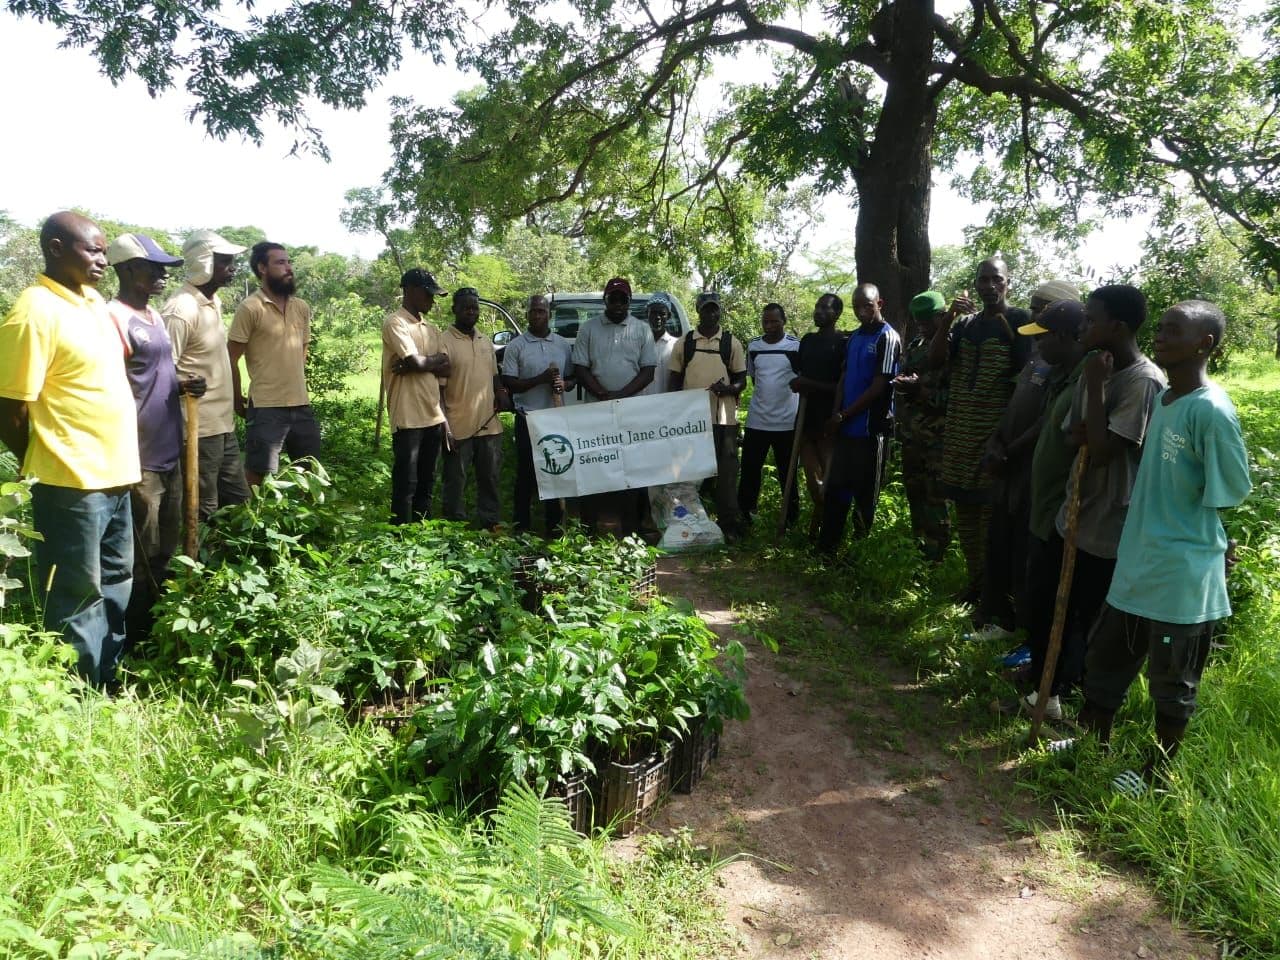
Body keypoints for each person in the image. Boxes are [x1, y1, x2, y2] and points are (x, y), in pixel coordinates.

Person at [1057, 301, 1250, 796]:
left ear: (1205, 343)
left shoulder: (1211, 411)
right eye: (1161, 328)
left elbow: (1229, 490)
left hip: (1180, 574)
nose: (1161, 336)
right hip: (1138, 562)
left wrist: (1212, 545)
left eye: (1174, 331)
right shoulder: (1164, 399)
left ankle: (1156, 775)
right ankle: (1091, 743)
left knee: (1172, 680)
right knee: (1106, 660)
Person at [0, 212, 139, 686]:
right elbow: (10, 406)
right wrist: (40, 456)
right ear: (56, 249)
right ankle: (81, 695)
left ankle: (108, 680)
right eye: (92, 250)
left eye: (104, 251)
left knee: (116, 584)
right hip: (69, 480)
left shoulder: (93, 301)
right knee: (77, 593)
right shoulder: (34, 311)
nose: (103, 260)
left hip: (117, 474)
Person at [1021, 285, 1165, 721]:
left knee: (1085, 617)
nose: (1084, 326)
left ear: (1116, 326)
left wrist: (1099, 396)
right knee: (1044, 603)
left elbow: (1102, 453)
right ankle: (1044, 690)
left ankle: (1070, 701)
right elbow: (1073, 434)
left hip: (1108, 523)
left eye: (1091, 319)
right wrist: (1093, 424)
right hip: (1073, 513)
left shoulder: (1141, 381)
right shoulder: (1093, 367)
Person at [106, 233, 206, 642]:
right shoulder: (112, 318)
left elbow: (153, 377)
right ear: (129, 269)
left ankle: (160, 631)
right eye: (154, 267)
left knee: (167, 546)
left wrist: (182, 383)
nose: (163, 275)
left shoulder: (154, 317)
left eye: (166, 268)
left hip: (170, 448)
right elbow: (110, 386)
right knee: (140, 554)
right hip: (138, 456)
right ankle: (134, 637)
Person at [975, 297, 1083, 638]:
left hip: (1030, 472)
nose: (1037, 338)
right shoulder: (1039, 357)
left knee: (1027, 550)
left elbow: (1046, 421)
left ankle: (1022, 628)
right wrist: (996, 442)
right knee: (1000, 541)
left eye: (1043, 332)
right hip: (1008, 466)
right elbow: (1014, 406)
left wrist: (1009, 452)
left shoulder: (1074, 374)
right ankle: (997, 616)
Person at [928, 257, 1033, 604]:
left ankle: (994, 595)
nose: (989, 286)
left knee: (991, 520)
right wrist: (948, 319)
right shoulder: (966, 324)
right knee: (966, 515)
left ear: (1007, 282)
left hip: (992, 436)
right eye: (983, 279)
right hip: (959, 433)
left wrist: (1003, 437)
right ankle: (975, 584)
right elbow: (935, 360)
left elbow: (1024, 384)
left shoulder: (1018, 322)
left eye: (996, 279)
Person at [162, 230, 251, 519]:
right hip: (198, 429)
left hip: (222, 424)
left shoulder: (212, 302)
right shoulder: (181, 308)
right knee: (203, 508)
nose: (232, 268)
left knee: (239, 503)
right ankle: (197, 550)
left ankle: (224, 550)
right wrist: (183, 384)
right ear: (204, 263)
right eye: (225, 262)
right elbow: (161, 371)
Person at [818, 283, 902, 554]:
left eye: (867, 305)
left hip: (870, 431)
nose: (862, 311)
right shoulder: (853, 338)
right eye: (856, 307)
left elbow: (879, 387)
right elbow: (844, 378)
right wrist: (836, 415)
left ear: (879, 304)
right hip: (845, 429)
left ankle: (859, 554)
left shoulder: (888, 338)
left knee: (865, 495)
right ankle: (827, 550)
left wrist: (844, 415)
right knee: (836, 489)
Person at [228, 242, 320, 486]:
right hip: (266, 406)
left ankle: (307, 513)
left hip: (301, 404)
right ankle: (252, 511)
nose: (289, 268)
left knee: (310, 472)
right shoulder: (250, 308)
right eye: (280, 262)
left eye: (289, 262)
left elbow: (302, 350)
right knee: (258, 472)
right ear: (262, 268)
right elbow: (231, 358)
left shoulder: (301, 307)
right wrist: (236, 400)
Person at [571, 277, 656, 533]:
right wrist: (602, 394)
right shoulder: (588, 329)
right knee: (595, 465)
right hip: (596, 410)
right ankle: (589, 528)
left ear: (629, 302)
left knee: (631, 469)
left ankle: (631, 529)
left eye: (623, 299)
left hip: (631, 411)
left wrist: (620, 395)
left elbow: (648, 371)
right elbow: (580, 367)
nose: (618, 303)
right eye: (613, 298)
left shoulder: (642, 329)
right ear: (605, 300)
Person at [668, 291, 748, 537]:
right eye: (706, 309)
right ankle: (688, 525)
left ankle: (728, 525)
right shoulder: (685, 342)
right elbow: (674, 381)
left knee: (726, 474)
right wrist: (675, 412)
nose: (711, 313)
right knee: (688, 474)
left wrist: (728, 389)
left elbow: (741, 380)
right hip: (691, 422)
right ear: (698, 311)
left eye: (714, 309)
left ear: (719, 311)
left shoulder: (731, 343)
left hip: (723, 419)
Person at [382, 268, 451, 525]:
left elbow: (447, 367)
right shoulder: (396, 323)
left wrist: (421, 363)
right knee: (406, 482)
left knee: (427, 480)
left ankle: (423, 529)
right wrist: (425, 362)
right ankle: (400, 533)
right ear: (410, 290)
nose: (432, 300)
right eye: (428, 293)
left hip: (433, 413)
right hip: (407, 414)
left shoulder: (431, 329)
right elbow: (416, 361)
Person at [502, 293, 574, 533]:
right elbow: (510, 383)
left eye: (541, 311)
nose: (537, 315)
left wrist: (564, 384)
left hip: (555, 419)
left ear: (549, 315)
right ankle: (521, 528)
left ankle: (554, 528)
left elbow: (572, 377)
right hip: (527, 418)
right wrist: (540, 379)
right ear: (527, 314)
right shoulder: (516, 346)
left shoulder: (562, 344)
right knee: (526, 474)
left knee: (555, 472)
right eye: (533, 311)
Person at [440, 287, 506, 528]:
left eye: (475, 307)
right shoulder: (443, 341)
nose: (471, 312)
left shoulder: (485, 340)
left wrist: (501, 392)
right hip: (458, 426)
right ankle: (454, 528)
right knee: (455, 481)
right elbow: (438, 390)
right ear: (454, 309)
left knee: (490, 478)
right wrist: (445, 426)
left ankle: (490, 523)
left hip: (489, 424)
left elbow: (494, 375)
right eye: (466, 307)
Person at [894, 291, 951, 562]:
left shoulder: (954, 346)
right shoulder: (916, 343)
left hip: (938, 439)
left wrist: (920, 390)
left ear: (943, 316)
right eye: (919, 322)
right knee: (914, 493)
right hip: (912, 435)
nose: (923, 327)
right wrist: (904, 384)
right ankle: (918, 552)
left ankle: (936, 558)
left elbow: (955, 396)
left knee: (935, 497)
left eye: (928, 321)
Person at [738, 302, 801, 528]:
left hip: (787, 422)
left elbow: (801, 379)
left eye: (775, 321)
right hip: (758, 420)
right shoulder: (754, 346)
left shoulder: (795, 346)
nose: (770, 326)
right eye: (765, 322)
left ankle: (791, 518)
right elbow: (755, 379)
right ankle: (744, 515)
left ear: (784, 321)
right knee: (750, 470)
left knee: (788, 472)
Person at [790, 293, 847, 535]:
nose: (818, 311)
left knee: (829, 481)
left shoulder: (843, 343)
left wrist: (809, 384)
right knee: (813, 481)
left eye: (825, 308)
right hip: (806, 419)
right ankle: (818, 530)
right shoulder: (808, 340)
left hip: (829, 421)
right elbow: (801, 373)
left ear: (837, 313)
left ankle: (826, 533)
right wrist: (799, 384)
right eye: (817, 306)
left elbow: (840, 386)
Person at [642, 294, 678, 396]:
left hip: (666, 403)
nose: (657, 317)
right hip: (640, 403)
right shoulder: (638, 344)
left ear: (669, 316)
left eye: (662, 314)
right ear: (647, 314)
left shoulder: (676, 345)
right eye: (653, 313)